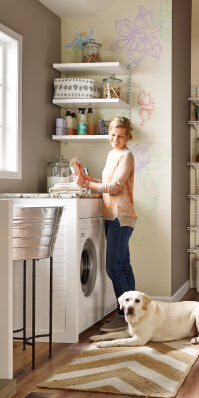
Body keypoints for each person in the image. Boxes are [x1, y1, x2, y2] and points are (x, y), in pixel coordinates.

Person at [73, 117, 137, 332]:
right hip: (111, 217)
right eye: (112, 135)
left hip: (121, 217)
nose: (115, 139)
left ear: (127, 136)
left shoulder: (126, 155)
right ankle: (133, 315)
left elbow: (115, 187)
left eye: (120, 136)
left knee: (113, 267)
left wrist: (87, 184)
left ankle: (123, 316)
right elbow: (105, 183)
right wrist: (85, 177)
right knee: (123, 265)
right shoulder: (112, 155)